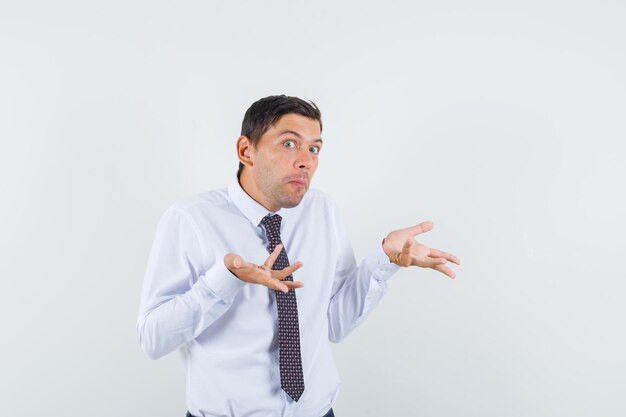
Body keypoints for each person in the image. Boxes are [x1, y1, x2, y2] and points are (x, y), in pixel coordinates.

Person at [137, 95, 460, 417]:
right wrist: (224, 280)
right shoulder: (190, 219)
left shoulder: (321, 209)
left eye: (314, 148)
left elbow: (335, 322)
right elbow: (154, 340)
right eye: (289, 144)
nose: (306, 160)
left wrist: (383, 260)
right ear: (246, 151)